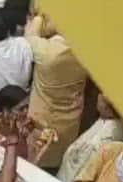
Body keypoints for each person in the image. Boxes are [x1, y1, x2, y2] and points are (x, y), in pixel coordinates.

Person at [23, 12, 88, 171]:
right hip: (70, 118)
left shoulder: (46, 51)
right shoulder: (88, 52)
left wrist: (39, 17)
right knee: (59, 156)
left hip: (41, 116)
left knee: (35, 156)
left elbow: (29, 36)